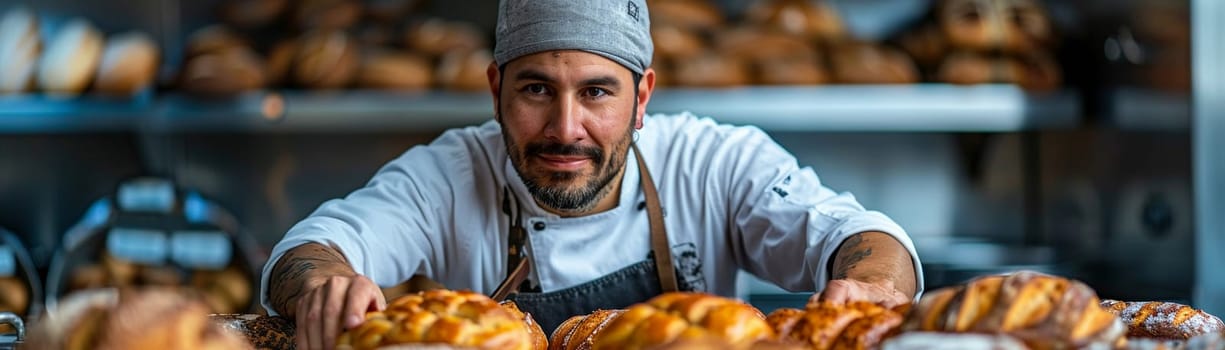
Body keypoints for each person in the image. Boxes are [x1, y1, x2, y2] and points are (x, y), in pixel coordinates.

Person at [261, 0, 924, 349]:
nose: (566, 128)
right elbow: (313, 249)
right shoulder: (447, 172)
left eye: (597, 93)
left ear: (642, 98)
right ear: (495, 91)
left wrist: (869, 285)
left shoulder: (712, 162)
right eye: (536, 90)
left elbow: (858, 233)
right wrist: (325, 285)